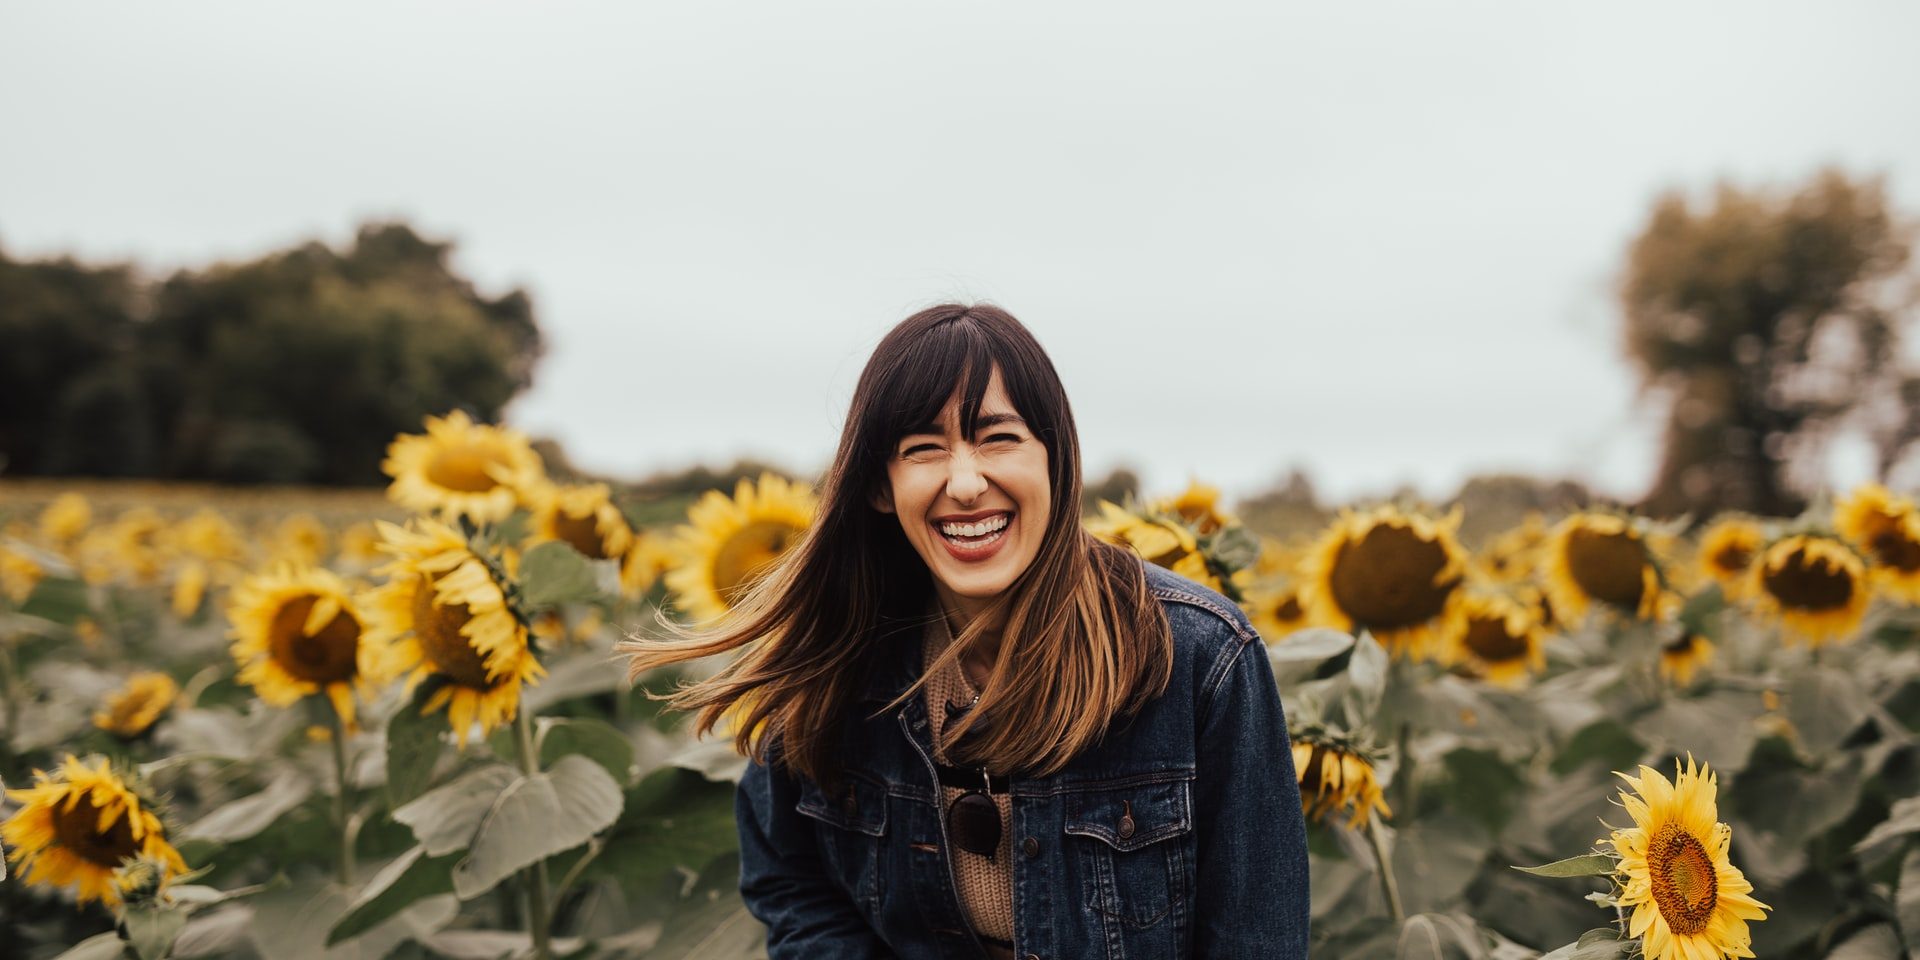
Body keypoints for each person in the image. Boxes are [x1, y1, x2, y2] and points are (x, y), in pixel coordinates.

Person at [617, 303, 1309, 959]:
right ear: (880, 487)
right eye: (923, 448)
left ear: (1055, 459)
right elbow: (790, 879)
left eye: (999, 438)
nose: (967, 482)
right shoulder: (838, 658)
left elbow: (1256, 936)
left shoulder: (1200, 658)